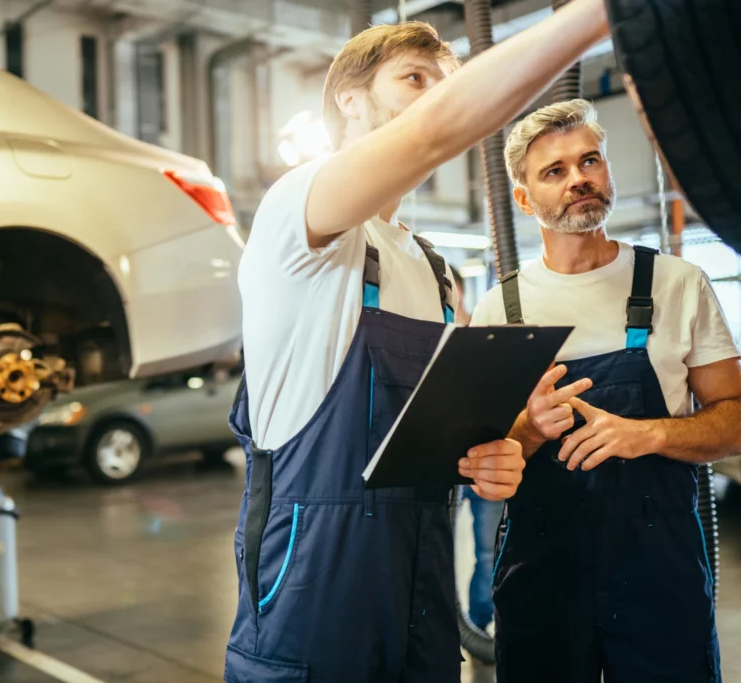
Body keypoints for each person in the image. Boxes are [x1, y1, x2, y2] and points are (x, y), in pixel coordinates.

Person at [223, 3, 609, 681]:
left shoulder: (433, 272)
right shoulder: (301, 215)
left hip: (422, 593)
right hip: (315, 595)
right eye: (415, 78)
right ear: (349, 101)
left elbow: (440, 440)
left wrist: (496, 456)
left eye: (448, 80)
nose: (438, 96)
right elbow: (437, 131)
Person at [471, 99, 741, 683]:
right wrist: (527, 428)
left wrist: (649, 434)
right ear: (523, 199)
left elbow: (736, 420)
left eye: (589, 160)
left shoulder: (676, 282)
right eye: (555, 171)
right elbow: (487, 460)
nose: (579, 179)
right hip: (541, 568)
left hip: (659, 567)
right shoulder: (501, 309)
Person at [451, 270, 505, 633]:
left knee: (488, 555)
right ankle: (444, 627)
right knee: (433, 553)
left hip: (485, 463)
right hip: (443, 468)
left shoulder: (484, 332)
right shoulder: (423, 334)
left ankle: (480, 625)